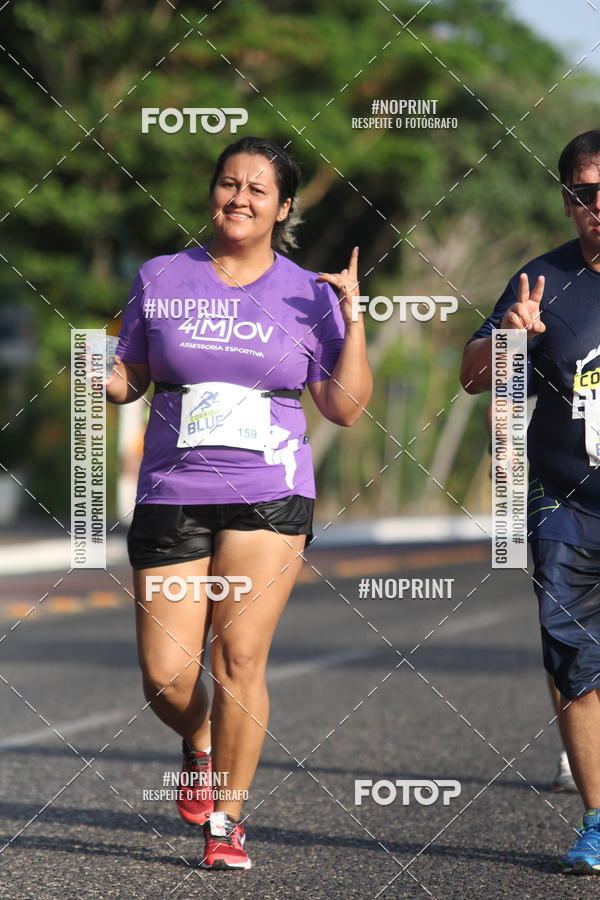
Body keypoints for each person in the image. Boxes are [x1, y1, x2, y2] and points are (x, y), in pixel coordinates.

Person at [106, 136, 372, 870]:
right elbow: (130, 377)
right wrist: (100, 372)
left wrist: (353, 320)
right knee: (166, 676)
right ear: (213, 192)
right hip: (172, 490)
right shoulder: (161, 277)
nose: (240, 198)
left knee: (239, 658)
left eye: (258, 189)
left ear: (283, 208)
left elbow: (345, 407)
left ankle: (227, 821)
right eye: (229, 183)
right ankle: (199, 740)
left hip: (269, 492)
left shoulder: (308, 292)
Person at [461, 129, 600, 875]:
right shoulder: (540, 280)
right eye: (586, 193)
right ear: (567, 200)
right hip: (564, 504)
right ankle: (598, 820)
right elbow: (472, 375)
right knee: (574, 660)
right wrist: (509, 339)